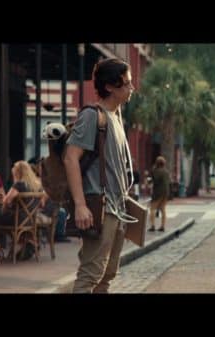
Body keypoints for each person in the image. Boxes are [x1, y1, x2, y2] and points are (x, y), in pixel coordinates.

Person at [64, 58, 135, 293]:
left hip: (117, 207)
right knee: (91, 273)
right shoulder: (93, 115)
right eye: (126, 84)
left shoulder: (116, 116)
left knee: (107, 274)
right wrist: (80, 205)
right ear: (109, 87)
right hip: (99, 207)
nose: (131, 89)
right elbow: (71, 157)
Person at [0, 161, 42, 261]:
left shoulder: (19, 184)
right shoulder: (37, 185)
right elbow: (41, 204)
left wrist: (2, 202)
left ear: (17, 172)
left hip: (18, 219)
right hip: (29, 220)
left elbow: (7, 200)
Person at [148, 156, 170, 232]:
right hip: (166, 192)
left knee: (152, 208)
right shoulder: (166, 171)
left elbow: (154, 180)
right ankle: (162, 226)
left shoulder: (156, 171)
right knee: (163, 209)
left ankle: (152, 225)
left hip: (158, 192)